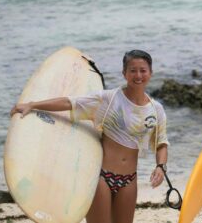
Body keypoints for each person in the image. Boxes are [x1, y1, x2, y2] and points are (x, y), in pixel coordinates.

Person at [10, 50, 169, 223]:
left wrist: (160, 166)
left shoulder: (156, 109)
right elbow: (70, 103)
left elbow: (161, 143)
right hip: (102, 177)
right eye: (132, 70)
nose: (138, 75)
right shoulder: (109, 99)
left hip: (129, 179)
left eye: (143, 70)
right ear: (124, 73)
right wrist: (32, 105)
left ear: (151, 73)